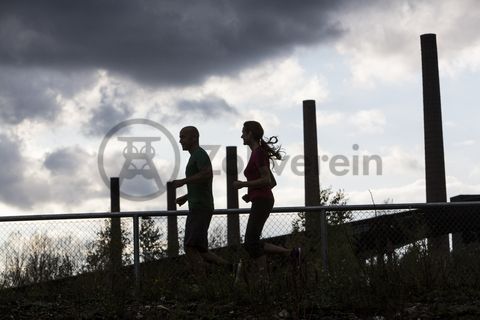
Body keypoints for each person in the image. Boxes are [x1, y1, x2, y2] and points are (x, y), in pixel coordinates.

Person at [233, 121, 301, 276]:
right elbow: (272, 181)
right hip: (260, 199)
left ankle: (266, 277)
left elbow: (267, 180)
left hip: (263, 201)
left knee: (251, 242)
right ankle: (290, 254)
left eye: (243, 132)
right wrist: (251, 194)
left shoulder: (258, 153)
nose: (241, 136)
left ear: (250, 133)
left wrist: (244, 184)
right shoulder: (258, 153)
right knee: (252, 242)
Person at [170, 126, 229, 280]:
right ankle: (233, 269)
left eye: (183, 137)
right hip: (198, 204)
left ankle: (203, 282)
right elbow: (201, 181)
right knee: (201, 249)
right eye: (180, 137)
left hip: (200, 207)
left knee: (189, 247)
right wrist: (187, 196)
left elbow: (207, 173)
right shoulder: (194, 156)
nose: (180, 140)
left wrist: (183, 181)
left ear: (194, 138)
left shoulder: (199, 154)